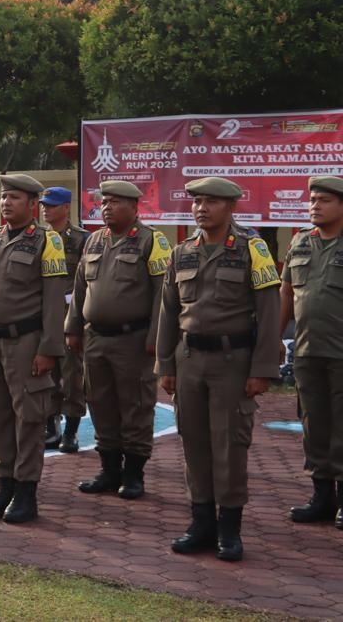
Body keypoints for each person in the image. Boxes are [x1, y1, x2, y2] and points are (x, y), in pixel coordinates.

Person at [158, 176, 281, 562]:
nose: (201, 209)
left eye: (210, 202)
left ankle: (230, 529)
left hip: (233, 362)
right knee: (194, 443)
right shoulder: (182, 252)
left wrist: (262, 368)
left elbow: (269, 310)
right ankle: (201, 523)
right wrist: (165, 364)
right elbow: (168, 311)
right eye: (196, 202)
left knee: (229, 446)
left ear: (231, 208)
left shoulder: (252, 249)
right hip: (189, 360)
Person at [0, 173, 67, 524]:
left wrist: (49, 349)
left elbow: (55, 301)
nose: (7, 203)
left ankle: (26, 492)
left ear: (33, 205)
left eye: (15, 198)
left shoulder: (46, 242)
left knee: (29, 419)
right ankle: (4, 485)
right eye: (4, 197)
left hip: (26, 343)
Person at [64, 181, 170, 500]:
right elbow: (80, 288)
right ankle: (109, 470)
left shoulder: (152, 241)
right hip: (95, 338)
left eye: (114, 203)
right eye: (104, 202)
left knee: (136, 406)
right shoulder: (94, 240)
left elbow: (162, 294)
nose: (106, 208)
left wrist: (156, 337)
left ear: (134, 206)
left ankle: (133, 474)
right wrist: (72, 326)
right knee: (100, 403)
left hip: (134, 340)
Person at [281, 176, 343, 528]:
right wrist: (272, 339)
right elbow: (287, 294)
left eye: (324, 200)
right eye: (313, 199)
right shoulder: (301, 243)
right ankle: (322, 496)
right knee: (314, 425)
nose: (315, 205)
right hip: (306, 352)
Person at [39, 187, 90, 452]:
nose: (46, 209)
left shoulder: (81, 240)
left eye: (52, 205)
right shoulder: (37, 238)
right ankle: (51, 427)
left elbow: (88, 281)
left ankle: (70, 432)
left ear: (66, 207)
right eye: (44, 205)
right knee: (45, 374)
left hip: (70, 316)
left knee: (72, 377)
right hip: (44, 317)